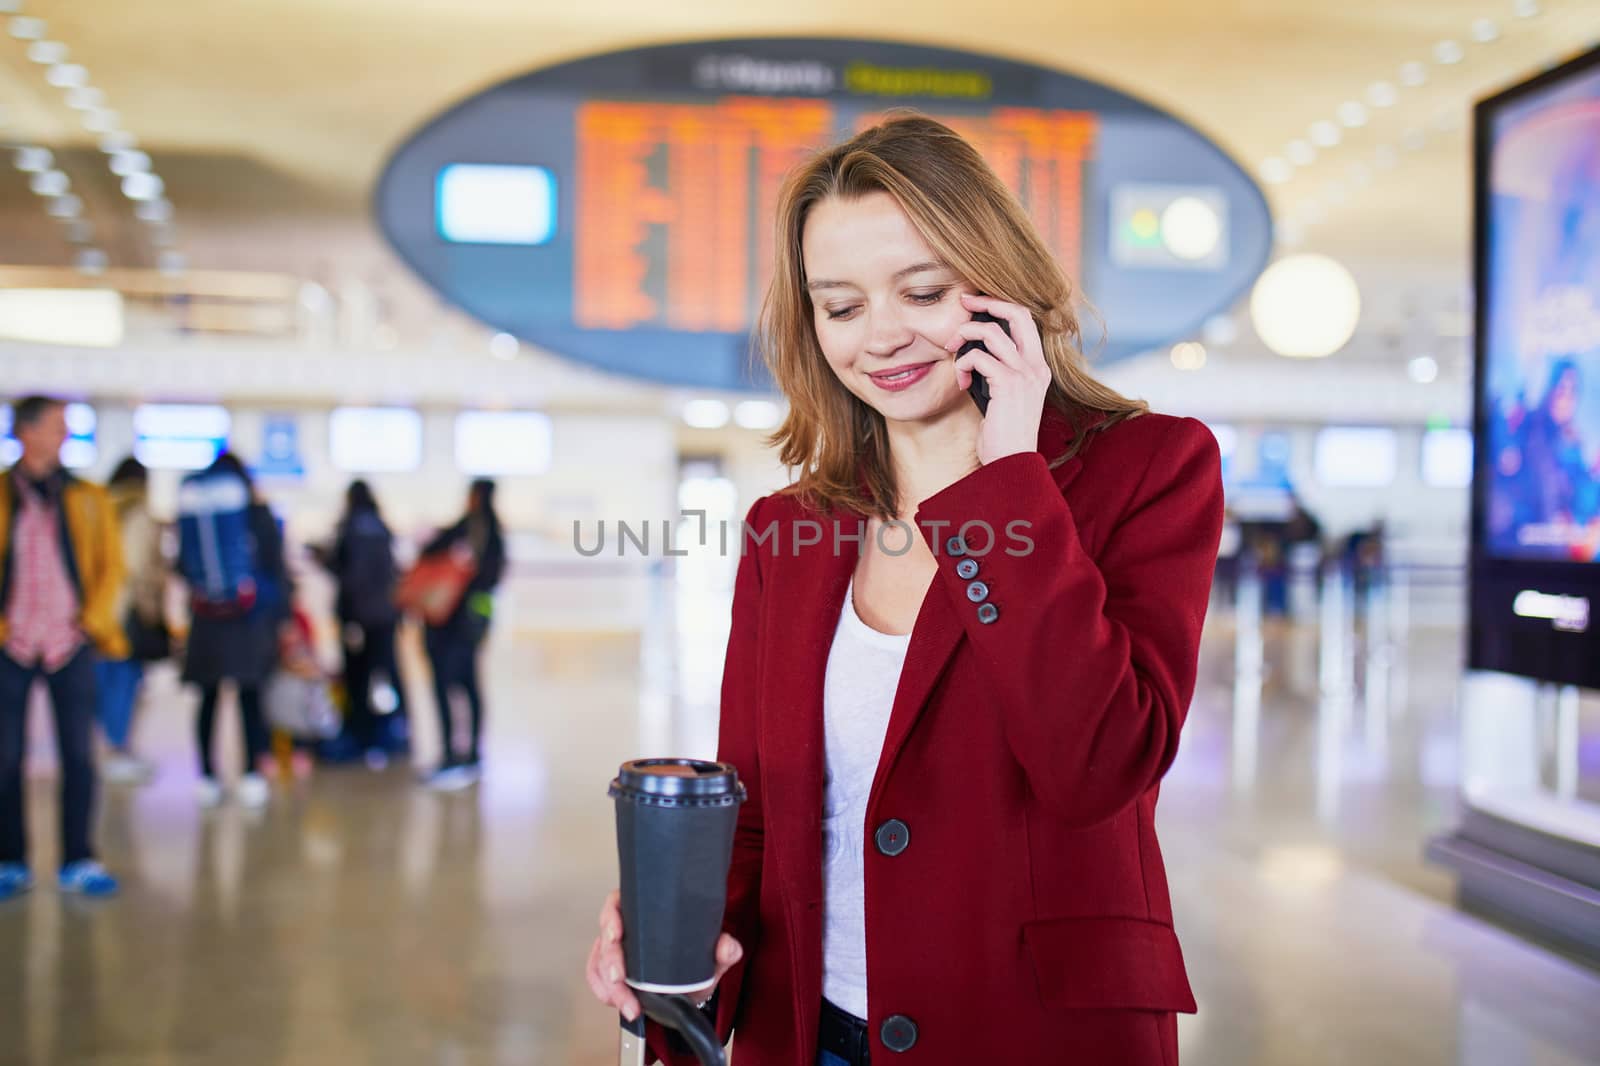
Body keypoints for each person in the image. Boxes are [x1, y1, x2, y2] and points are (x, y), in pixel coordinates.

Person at [585, 116, 1224, 1065]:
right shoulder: (788, 529)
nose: (880, 335)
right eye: (840, 308)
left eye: (921, 291)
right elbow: (757, 812)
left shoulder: (1150, 469)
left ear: (998, 285)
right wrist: (673, 944)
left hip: (1031, 1031)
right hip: (814, 1026)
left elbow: (1098, 764)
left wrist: (1007, 471)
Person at [0, 396, 124, 899]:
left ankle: (79, 858)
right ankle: (10, 859)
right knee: (6, 758)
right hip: (10, 643)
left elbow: (112, 566)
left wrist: (91, 621)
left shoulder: (88, 498)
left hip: (70, 641)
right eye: (55, 427)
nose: (64, 436)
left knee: (79, 754)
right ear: (26, 433)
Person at [176, 452, 288, 808]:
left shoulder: (194, 507)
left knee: (208, 700)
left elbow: (182, 564)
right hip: (248, 621)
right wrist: (279, 616)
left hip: (206, 620)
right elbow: (275, 567)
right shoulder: (257, 513)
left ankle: (207, 776)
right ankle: (252, 773)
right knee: (249, 698)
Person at [313, 479, 408, 768]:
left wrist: (324, 560)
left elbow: (352, 576)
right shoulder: (381, 527)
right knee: (388, 673)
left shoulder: (351, 529)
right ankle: (396, 730)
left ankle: (360, 734)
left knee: (358, 678)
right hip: (385, 616)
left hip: (359, 618)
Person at [418, 478, 504, 791]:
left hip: (453, 624)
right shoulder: (491, 532)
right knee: (468, 685)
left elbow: (429, 551)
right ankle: (468, 753)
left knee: (449, 685)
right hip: (472, 625)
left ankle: (455, 754)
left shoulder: (473, 530)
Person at [96, 456, 168, 784]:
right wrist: (151, 609)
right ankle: (118, 751)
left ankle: (110, 748)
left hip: (98, 611)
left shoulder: (98, 507)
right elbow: (135, 567)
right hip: (127, 613)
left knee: (105, 681)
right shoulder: (138, 514)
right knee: (125, 683)